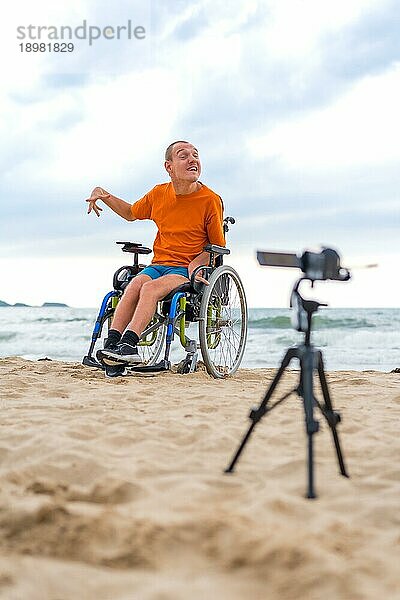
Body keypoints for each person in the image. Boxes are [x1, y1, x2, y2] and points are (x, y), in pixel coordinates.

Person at [86, 140, 226, 366]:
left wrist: (195, 267)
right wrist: (104, 195)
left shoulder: (210, 200)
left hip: (184, 267)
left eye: (196, 155)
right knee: (134, 285)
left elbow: (216, 247)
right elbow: (131, 213)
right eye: (184, 156)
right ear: (169, 167)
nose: (192, 159)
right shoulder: (159, 194)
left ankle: (129, 345)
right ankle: (112, 345)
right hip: (159, 264)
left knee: (150, 288)